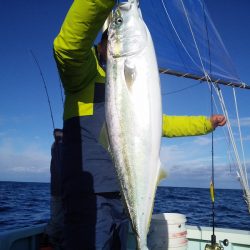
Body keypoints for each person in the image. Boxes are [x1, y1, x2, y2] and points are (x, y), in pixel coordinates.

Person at [53, 1, 226, 249]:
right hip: (89, 196)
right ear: (103, 45)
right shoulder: (81, 76)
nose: (109, 40)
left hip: (126, 196)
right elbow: (67, 46)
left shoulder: (135, 79)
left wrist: (205, 123)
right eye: (106, 37)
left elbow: (159, 124)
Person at [45, 128, 64, 250]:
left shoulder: (54, 146)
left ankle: (49, 244)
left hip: (56, 191)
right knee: (59, 221)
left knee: (56, 221)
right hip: (62, 191)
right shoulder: (64, 146)